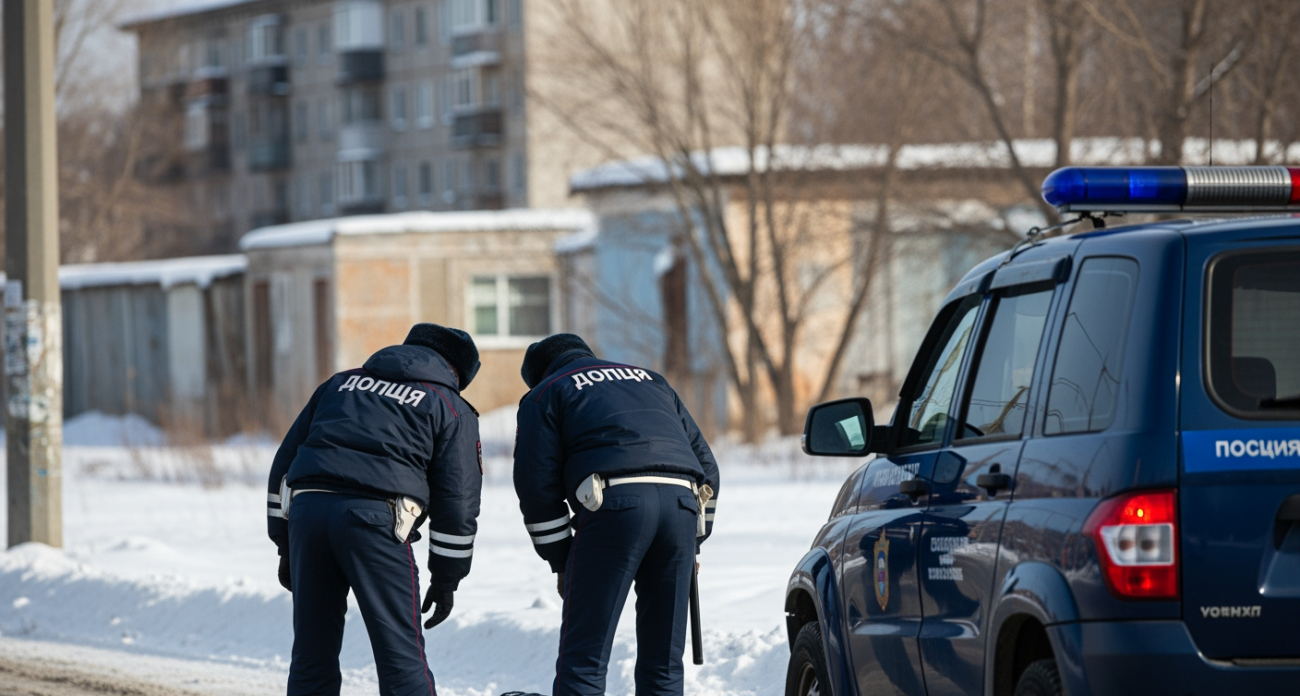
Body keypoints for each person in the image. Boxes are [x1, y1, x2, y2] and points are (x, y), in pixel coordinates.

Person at [266, 323, 484, 696]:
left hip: (308, 510)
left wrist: (285, 543)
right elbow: (457, 500)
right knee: (400, 657)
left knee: (311, 655)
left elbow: (283, 466)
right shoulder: (449, 405)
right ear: (457, 372)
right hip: (376, 520)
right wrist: (447, 577)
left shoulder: (339, 385)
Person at [509, 334, 720, 696]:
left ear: (540, 374)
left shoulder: (546, 393)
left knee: (585, 660)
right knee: (664, 664)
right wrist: (694, 541)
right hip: (681, 506)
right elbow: (707, 469)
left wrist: (562, 561)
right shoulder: (651, 380)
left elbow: (535, 485)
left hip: (614, 507)